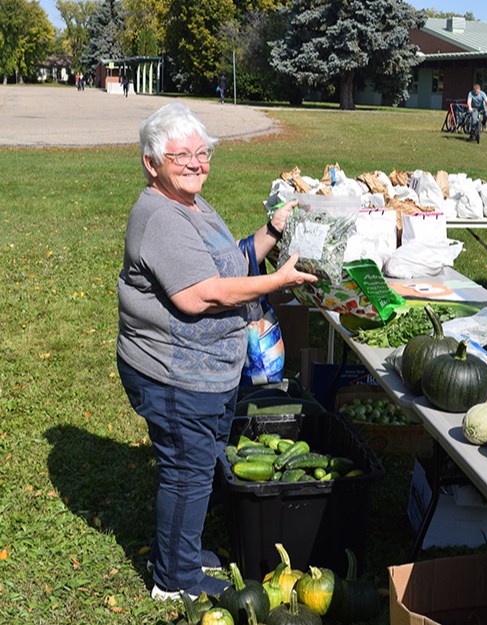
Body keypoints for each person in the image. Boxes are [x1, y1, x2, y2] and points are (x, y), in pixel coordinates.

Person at [116, 102, 317, 599]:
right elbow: (200, 293)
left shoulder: (191, 202)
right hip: (173, 372)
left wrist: (272, 230)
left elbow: (231, 260)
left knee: (197, 467)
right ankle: (174, 580)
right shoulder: (160, 216)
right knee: (187, 472)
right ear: (151, 163)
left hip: (205, 368)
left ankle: (178, 554)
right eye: (180, 154)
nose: (195, 163)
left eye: (202, 152)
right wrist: (277, 281)